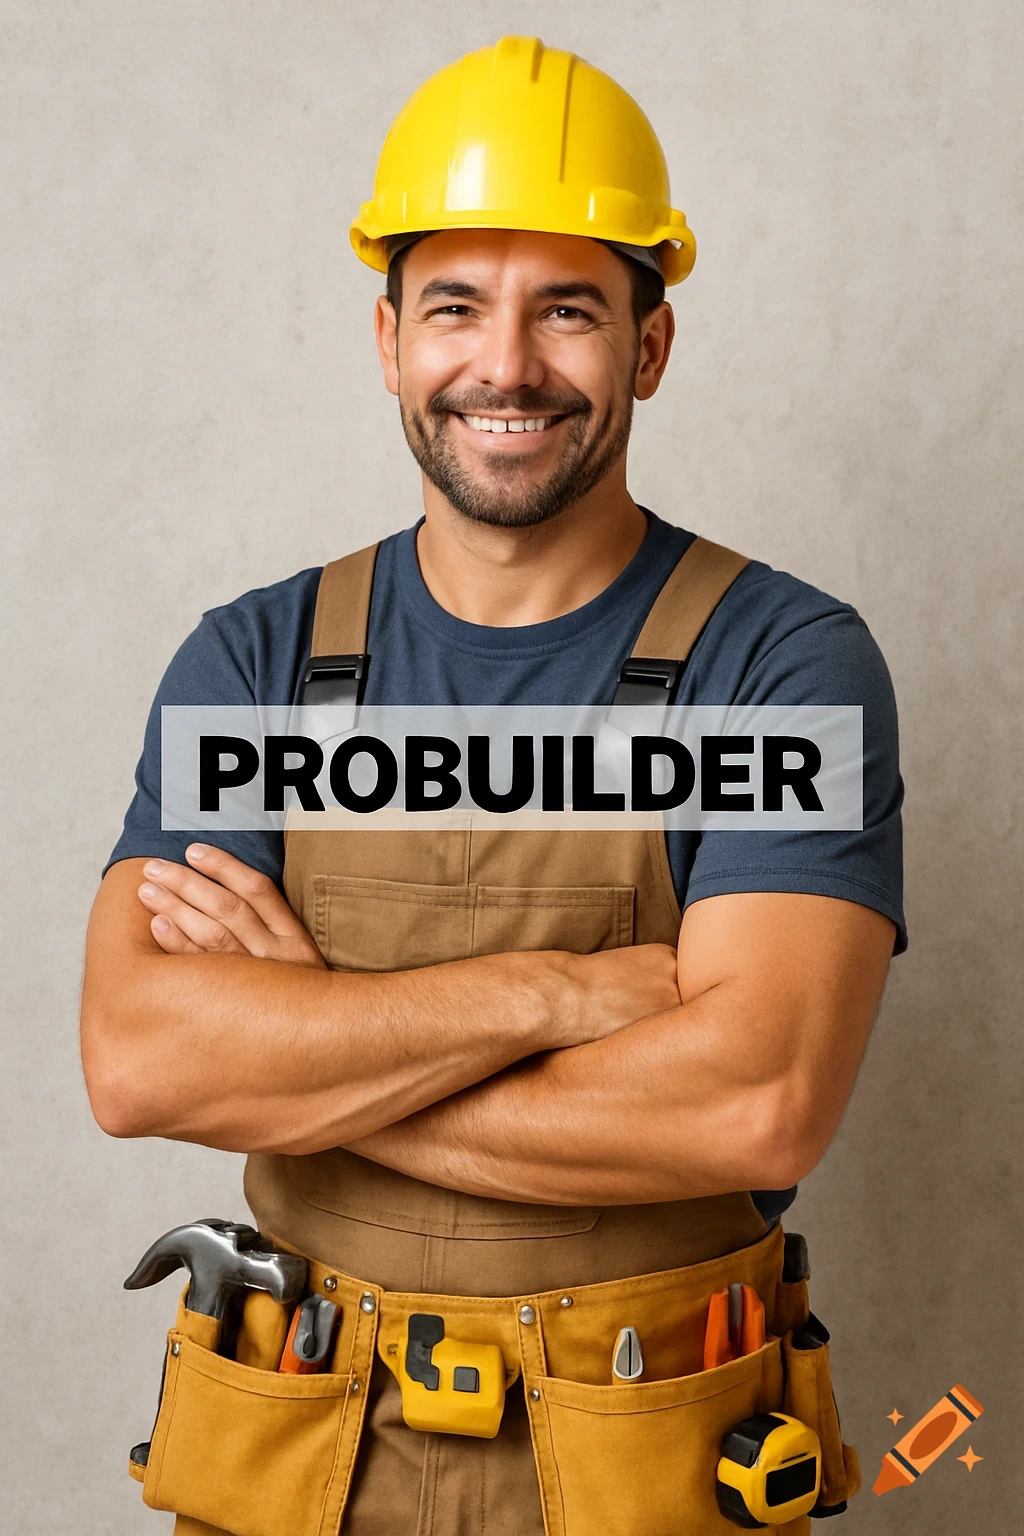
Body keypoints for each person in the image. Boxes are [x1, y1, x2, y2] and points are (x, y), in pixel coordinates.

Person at [81, 35, 904, 1536]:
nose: (505, 365)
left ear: (648, 348)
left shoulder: (779, 662)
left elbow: (759, 1101)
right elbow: (142, 1062)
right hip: (297, 1465)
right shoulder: (257, 664)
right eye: (455, 306)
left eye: (569, 311)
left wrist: (307, 1052)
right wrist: (556, 993)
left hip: (644, 1467)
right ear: (389, 338)